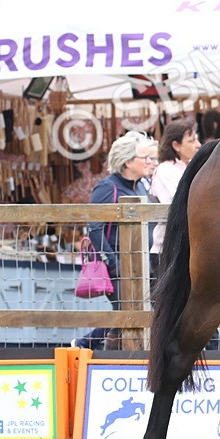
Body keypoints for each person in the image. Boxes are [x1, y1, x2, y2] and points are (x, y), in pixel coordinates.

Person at [75, 131, 155, 350]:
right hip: (118, 264)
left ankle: (98, 350)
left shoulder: (141, 186)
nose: (150, 162)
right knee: (129, 312)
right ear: (128, 162)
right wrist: (112, 262)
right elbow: (94, 228)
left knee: (131, 313)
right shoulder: (106, 188)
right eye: (145, 158)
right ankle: (84, 344)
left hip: (141, 263)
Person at [148, 118, 201, 279]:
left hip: (187, 245)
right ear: (176, 145)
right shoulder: (165, 170)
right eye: (191, 141)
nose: (198, 145)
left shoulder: (188, 166)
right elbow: (176, 201)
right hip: (168, 248)